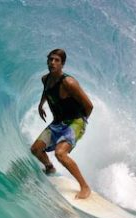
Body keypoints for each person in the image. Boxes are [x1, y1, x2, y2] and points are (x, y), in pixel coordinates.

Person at [30, 48, 94, 199]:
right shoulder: (45, 79)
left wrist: (81, 123)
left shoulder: (68, 82)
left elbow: (89, 106)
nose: (52, 62)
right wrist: (41, 105)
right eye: (50, 59)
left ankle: (85, 187)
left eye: (56, 60)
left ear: (62, 64)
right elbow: (46, 91)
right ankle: (49, 167)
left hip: (74, 123)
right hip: (57, 123)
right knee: (35, 149)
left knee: (60, 153)